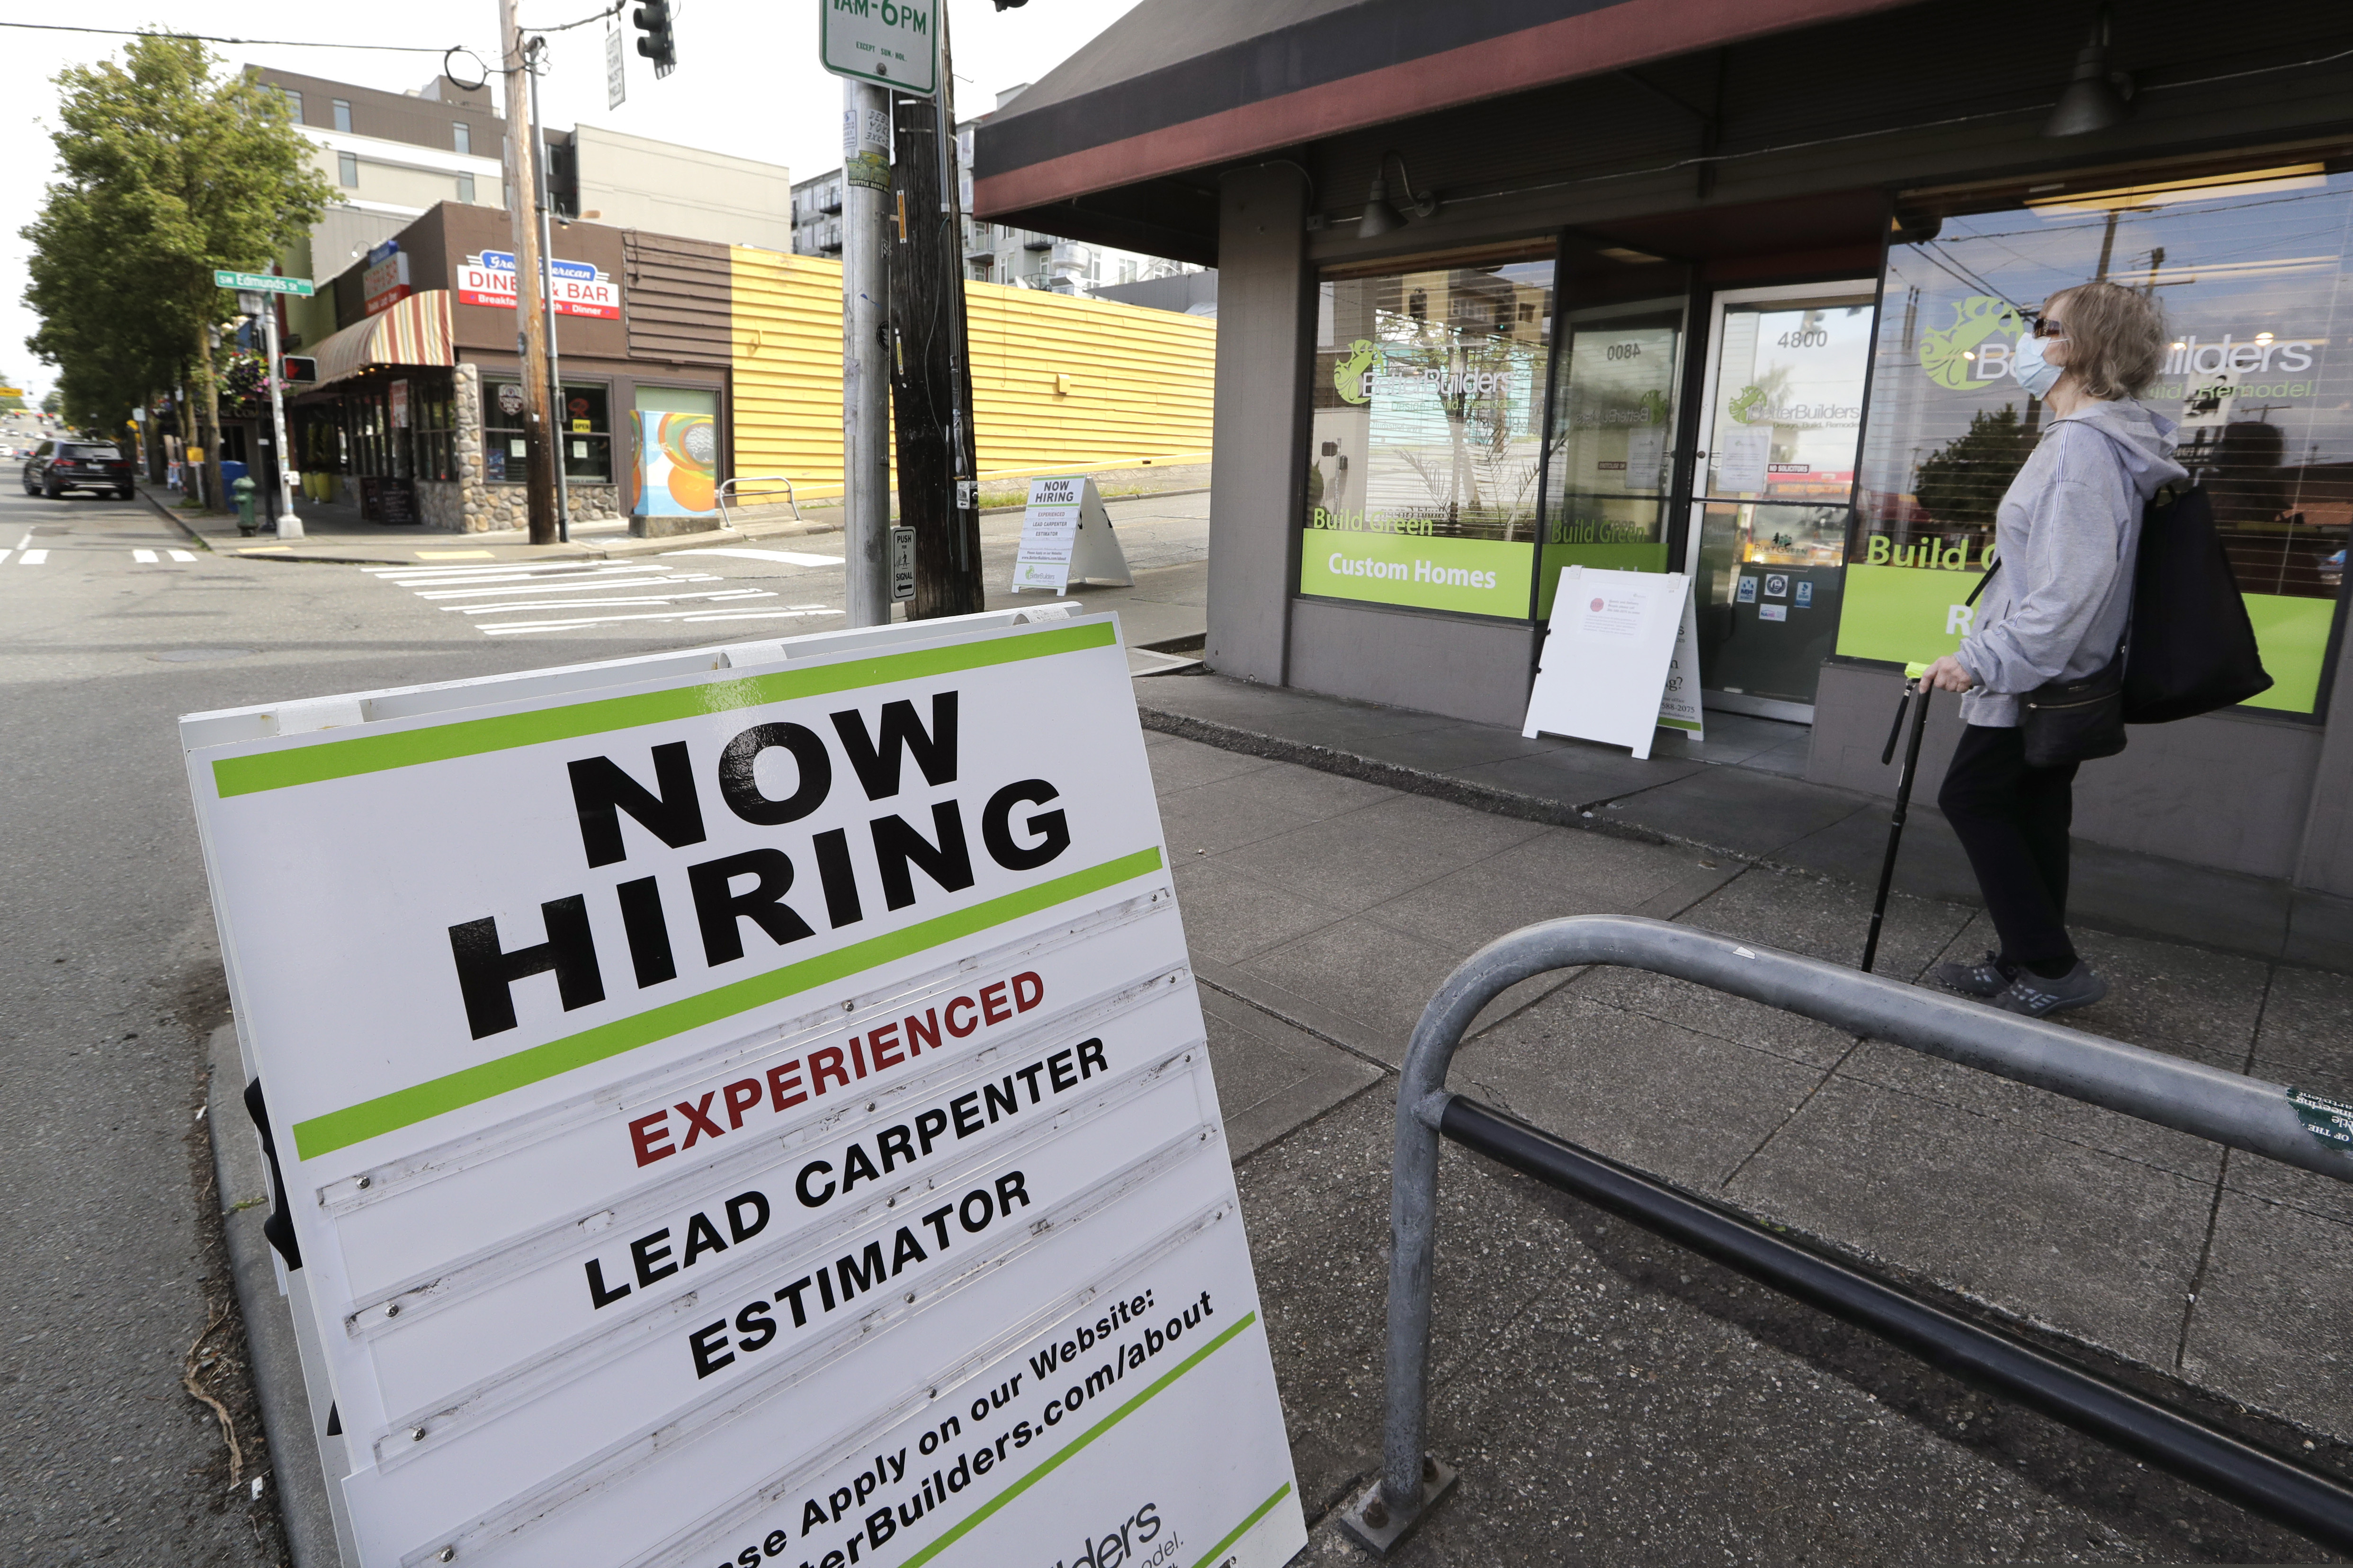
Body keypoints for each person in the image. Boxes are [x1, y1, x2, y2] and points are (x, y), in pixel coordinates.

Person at [1919, 280, 2184, 1017]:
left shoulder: (2081, 452)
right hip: (2062, 675)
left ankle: (2052, 966)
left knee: (1970, 797)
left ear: (2083, 347)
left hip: (2038, 675)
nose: (2029, 340)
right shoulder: (2087, 442)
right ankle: (2021, 962)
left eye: (2044, 325)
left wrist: (1980, 661)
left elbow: (2069, 592)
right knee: (2034, 812)